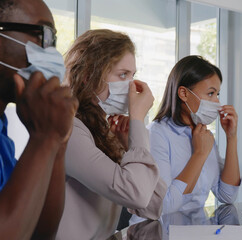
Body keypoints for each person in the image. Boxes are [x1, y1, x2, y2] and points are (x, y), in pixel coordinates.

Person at [56, 29, 167, 239]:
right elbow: (136, 195)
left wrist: (128, 147)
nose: (131, 85)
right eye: (122, 75)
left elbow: (153, 206)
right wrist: (138, 121)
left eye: (133, 75)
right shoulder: (70, 129)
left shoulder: (103, 129)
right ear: (89, 75)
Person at [0, 0, 78, 239]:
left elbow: (40, 233)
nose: (51, 51)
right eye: (42, 34)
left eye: (53, 39)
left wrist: (58, 143)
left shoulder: (3, 136)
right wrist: (45, 138)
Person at [130, 55, 240, 224]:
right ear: (183, 93)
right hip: (155, 231)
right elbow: (164, 206)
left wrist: (231, 137)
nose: (217, 102)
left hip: (193, 230)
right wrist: (199, 155)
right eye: (210, 93)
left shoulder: (204, 135)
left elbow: (227, 195)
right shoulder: (157, 134)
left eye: (218, 94)